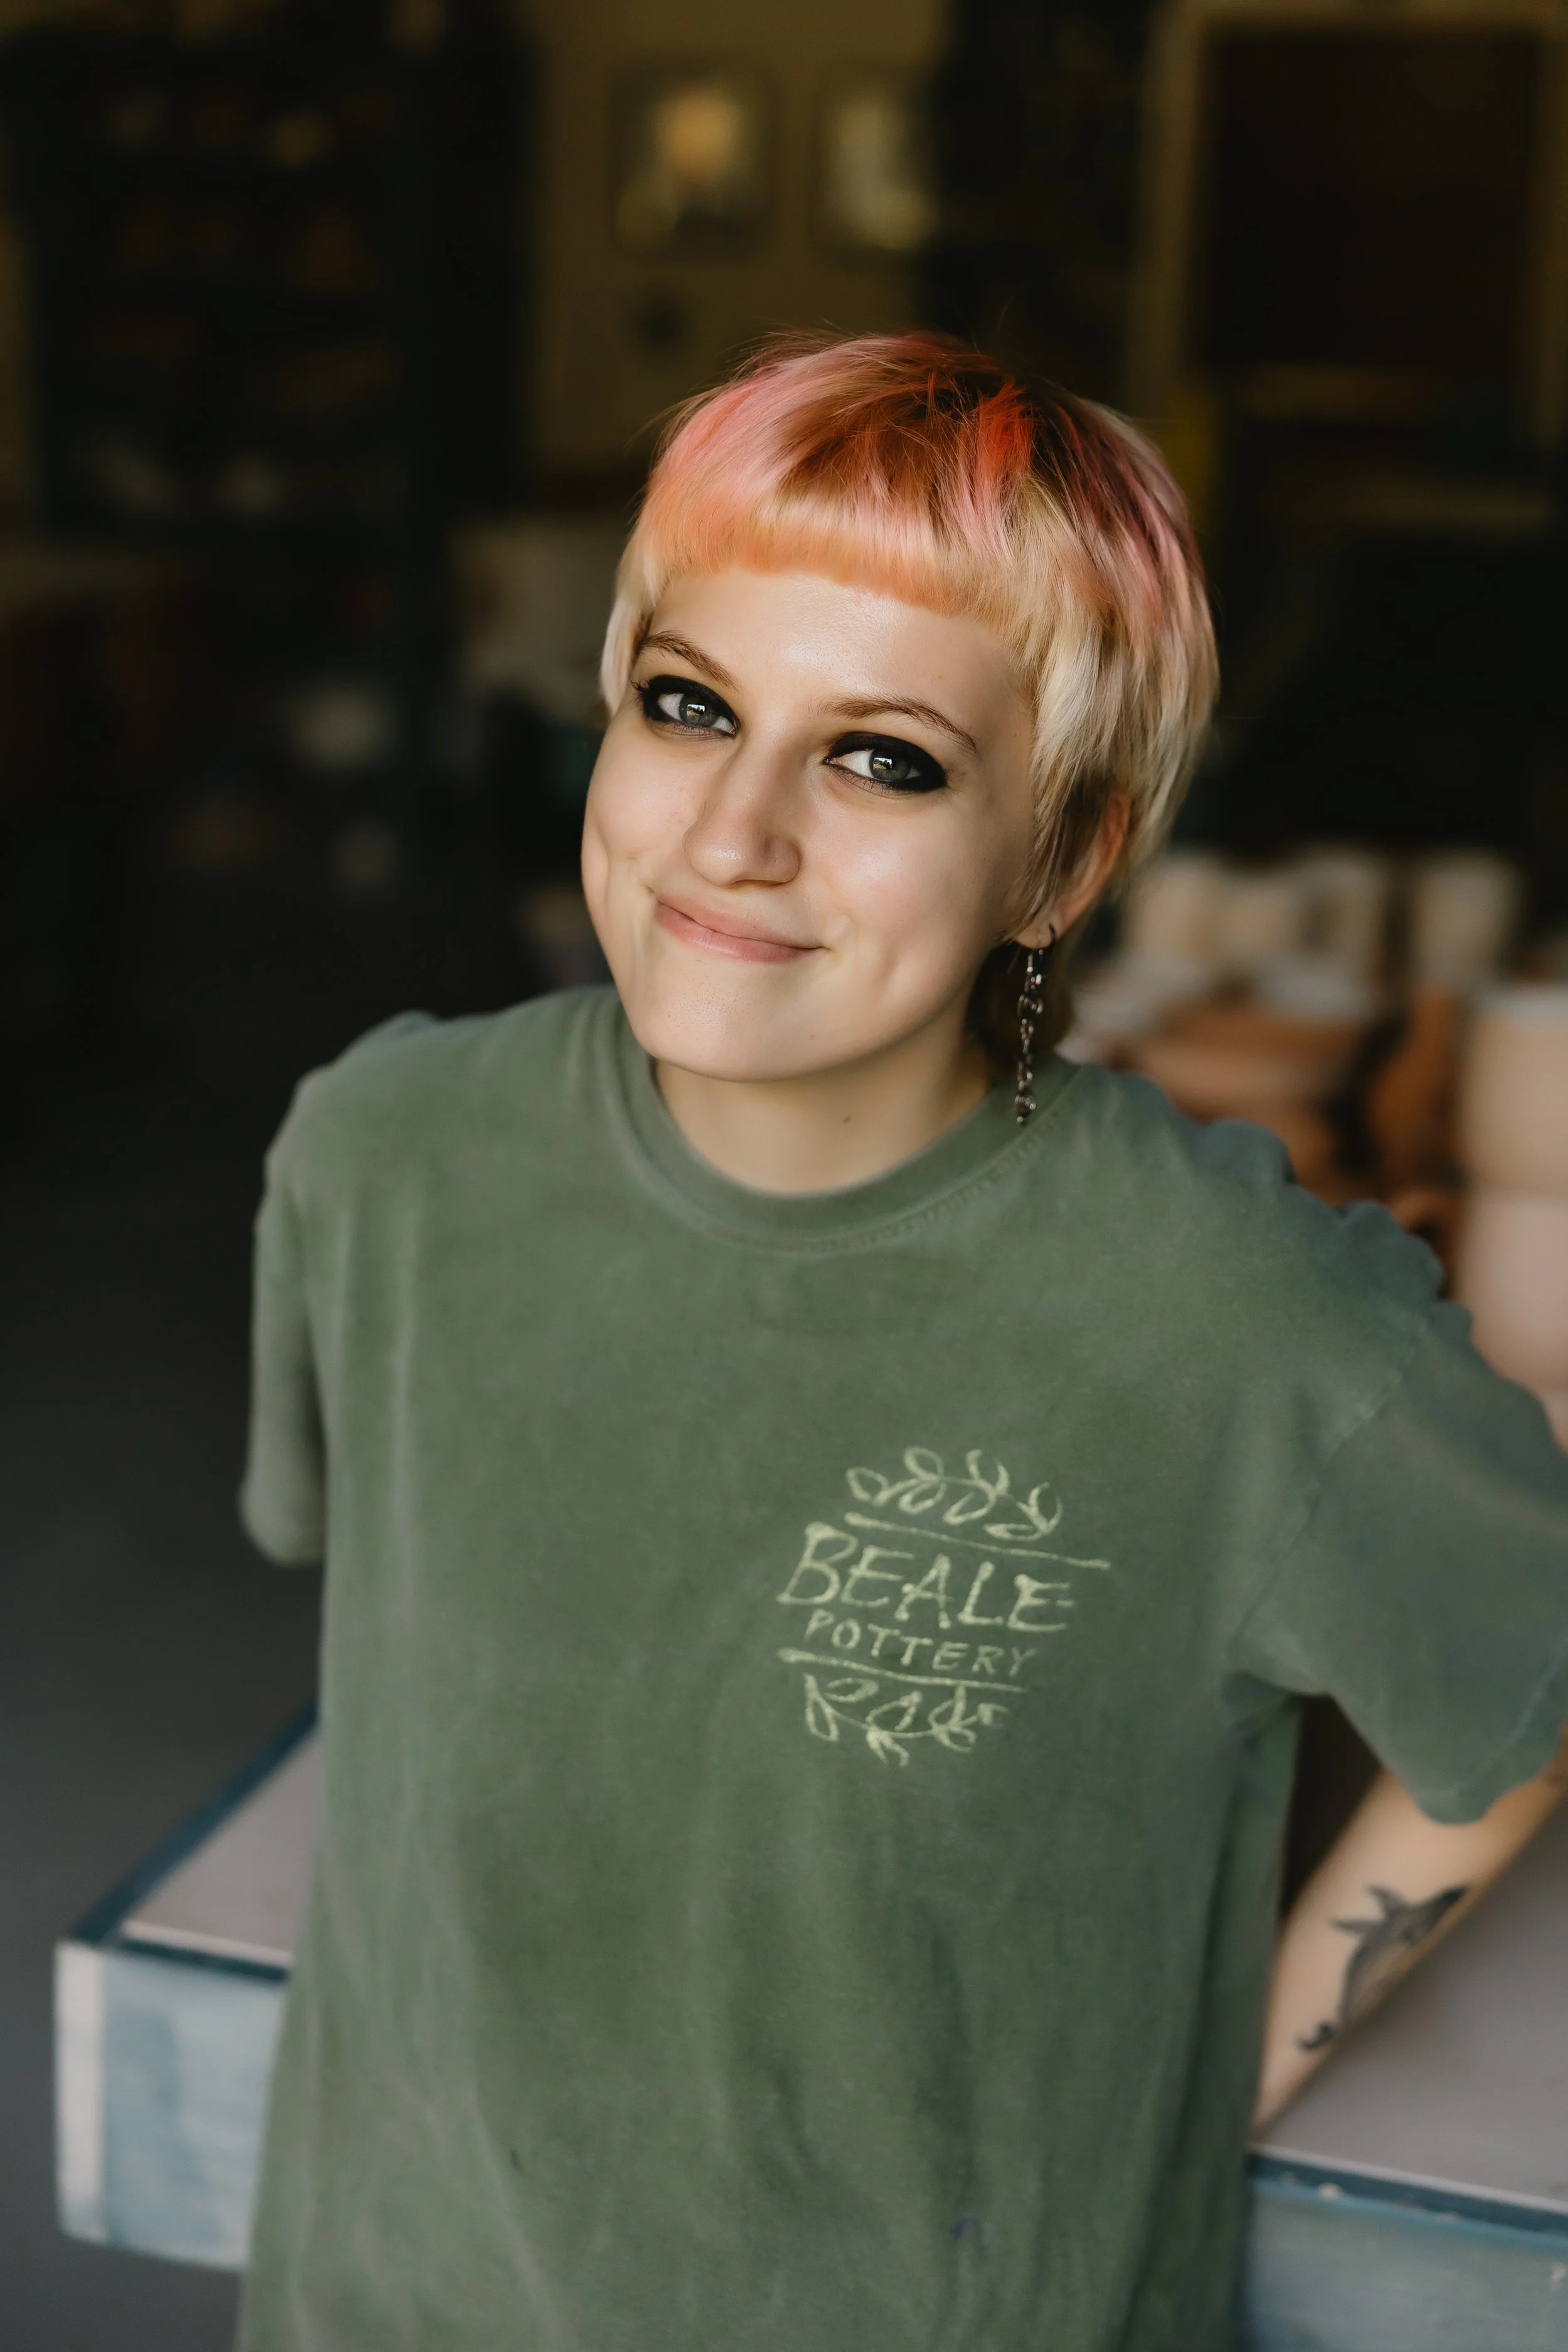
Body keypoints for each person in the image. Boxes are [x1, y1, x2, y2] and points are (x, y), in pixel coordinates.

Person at [236, 334, 1568, 2352]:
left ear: (1064, 857)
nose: (733, 833)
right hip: (383, 2296)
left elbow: (1519, 1696)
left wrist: (1245, 2066)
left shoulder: (1232, 1319)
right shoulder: (381, 1150)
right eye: (689, 707)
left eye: (882, 756)